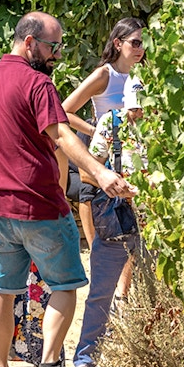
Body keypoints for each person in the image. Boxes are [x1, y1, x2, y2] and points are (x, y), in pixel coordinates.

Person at [0, 11, 133, 367]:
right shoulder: (38, 84)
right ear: (30, 43)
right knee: (66, 284)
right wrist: (101, 172)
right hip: (39, 203)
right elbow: (61, 133)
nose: (57, 54)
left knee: (1, 290)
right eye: (53, 46)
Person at [62, 18, 146, 298]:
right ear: (117, 43)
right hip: (106, 154)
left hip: (137, 156)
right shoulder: (105, 74)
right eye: (134, 42)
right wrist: (98, 128)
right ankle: (118, 295)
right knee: (114, 234)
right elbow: (65, 111)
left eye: (143, 43)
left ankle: (124, 295)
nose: (140, 49)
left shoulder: (143, 74)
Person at [73, 78, 150, 367]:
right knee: (100, 293)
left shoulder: (170, 126)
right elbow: (87, 172)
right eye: (133, 110)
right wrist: (113, 183)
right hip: (116, 219)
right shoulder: (111, 123)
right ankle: (85, 359)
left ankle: (149, 360)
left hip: (158, 224)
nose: (137, 117)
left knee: (160, 294)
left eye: (141, 110)